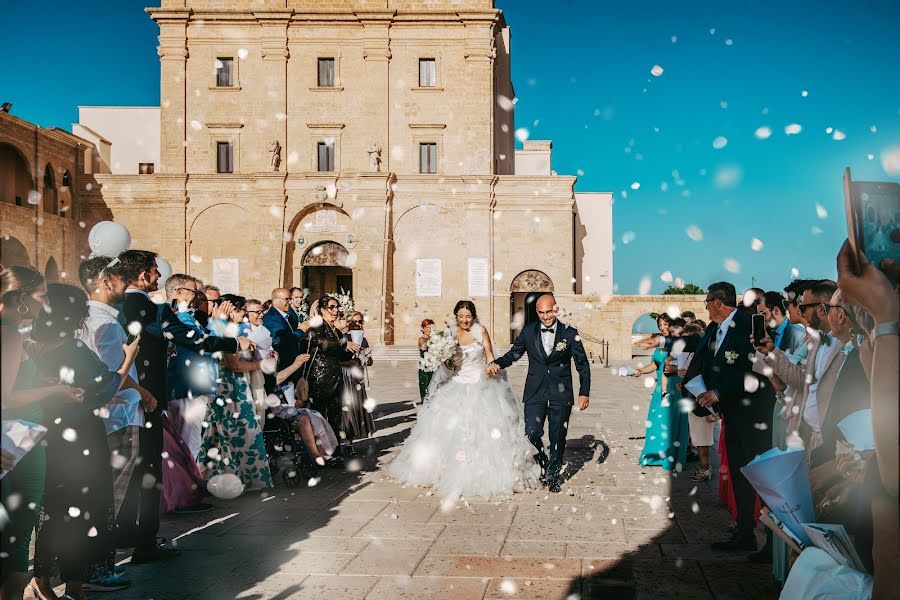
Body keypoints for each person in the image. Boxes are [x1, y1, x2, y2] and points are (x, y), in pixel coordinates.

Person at [112, 250, 247, 563]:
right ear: (144, 275)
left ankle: (122, 532)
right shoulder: (151, 307)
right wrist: (229, 342)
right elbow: (188, 337)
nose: (159, 278)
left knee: (125, 470)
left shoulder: (117, 305)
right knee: (148, 469)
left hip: (119, 395)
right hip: (149, 397)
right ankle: (145, 542)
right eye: (155, 272)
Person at [28, 283, 140, 600]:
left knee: (52, 513)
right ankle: (71, 585)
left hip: (48, 435)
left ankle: (45, 580)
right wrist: (128, 359)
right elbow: (104, 388)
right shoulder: (73, 350)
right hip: (80, 440)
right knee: (80, 511)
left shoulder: (34, 346)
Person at [390, 300, 541, 499]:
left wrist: (491, 366)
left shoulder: (481, 331)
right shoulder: (449, 334)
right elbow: (449, 365)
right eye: (461, 316)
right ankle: (445, 471)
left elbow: (488, 354)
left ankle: (484, 470)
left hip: (481, 384)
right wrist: (446, 360)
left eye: (468, 316)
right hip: (457, 384)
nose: (464, 320)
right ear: (456, 317)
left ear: (473, 316)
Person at [1, 267, 84, 600]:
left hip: (19, 438)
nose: (46, 303)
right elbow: (4, 397)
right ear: (21, 299)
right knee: (16, 536)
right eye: (42, 296)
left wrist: (39, 383)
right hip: (17, 442)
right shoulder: (8, 333)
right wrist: (56, 392)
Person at [76, 257, 158, 591]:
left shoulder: (83, 316)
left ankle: (86, 566)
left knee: (98, 497)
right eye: (121, 280)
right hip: (118, 418)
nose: (126, 286)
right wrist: (144, 392)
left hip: (98, 419)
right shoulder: (106, 322)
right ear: (107, 282)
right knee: (109, 498)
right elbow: (113, 378)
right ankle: (98, 569)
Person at [681, 282, 776, 552]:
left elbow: (754, 370)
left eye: (707, 302)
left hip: (754, 415)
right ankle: (745, 532)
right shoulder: (713, 328)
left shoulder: (747, 326)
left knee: (761, 477)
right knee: (739, 474)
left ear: (718, 302)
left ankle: (770, 541)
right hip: (732, 415)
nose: (706, 307)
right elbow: (701, 352)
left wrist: (719, 393)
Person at [488, 294, 591, 493]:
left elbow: (583, 365)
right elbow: (514, 354)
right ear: (537, 312)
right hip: (535, 391)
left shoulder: (570, 333)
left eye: (549, 312)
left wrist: (584, 392)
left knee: (557, 436)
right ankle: (544, 463)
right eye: (541, 313)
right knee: (531, 433)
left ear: (556, 309)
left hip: (561, 394)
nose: (545, 317)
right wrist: (497, 363)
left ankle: (552, 476)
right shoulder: (528, 331)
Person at [198, 295, 273, 491]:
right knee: (239, 433)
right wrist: (261, 364)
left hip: (235, 386)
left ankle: (218, 477)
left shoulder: (230, 330)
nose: (245, 315)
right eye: (241, 311)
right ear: (232, 311)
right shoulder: (223, 331)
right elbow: (234, 364)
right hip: (230, 389)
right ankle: (239, 480)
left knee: (221, 434)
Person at [307, 296, 361, 450]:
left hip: (335, 378)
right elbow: (320, 342)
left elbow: (340, 353)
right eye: (332, 307)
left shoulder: (336, 330)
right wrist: (344, 343)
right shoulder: (318, 325)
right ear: (322, 310)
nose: (336, 311)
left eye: (337, 307)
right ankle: (321, 451)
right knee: (320, 417)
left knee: (336, 417)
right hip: (320, 377)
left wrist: (353, 353)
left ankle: (335, 450)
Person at [633, 313, 684, 471]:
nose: (662, 328)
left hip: (674, 387)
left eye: (665, 324)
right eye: (660, 325)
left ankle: (669, 458)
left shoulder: (678, 342)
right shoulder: (661, 343)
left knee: (670, 423)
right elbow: (656, 364)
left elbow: (685, 364)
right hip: (659, 390)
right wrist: (641, 370)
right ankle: (653, 455)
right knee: (655, 421)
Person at [339, 311, 375, 455]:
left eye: (360, 322)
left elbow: (370, 361)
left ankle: (350, 442)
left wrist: (367, 358)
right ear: (348, 322)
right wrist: (353, 359)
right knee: (347, 409)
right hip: (345, 376)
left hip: (357, 378)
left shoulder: (363, 339)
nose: (358, 324)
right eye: (355, 321)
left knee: (356, 408)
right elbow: (339, 359)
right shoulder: (343, 338)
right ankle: (344, 442)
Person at [263, 288, 308, 389]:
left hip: (292, 364)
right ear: (276, 300)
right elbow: (280, 342)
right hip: (283, 366)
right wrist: (301, 331)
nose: (290, 302)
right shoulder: (273, 318)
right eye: (287, 299)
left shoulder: (288, 316)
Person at [417, 318, 435, 404]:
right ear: (423, 329)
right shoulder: (422, 339)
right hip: (425, 368)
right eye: (427, 327)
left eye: (431, 327)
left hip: (434, 367)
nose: (429, 329)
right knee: (425, 389)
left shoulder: (435, 338)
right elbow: (423, 346)